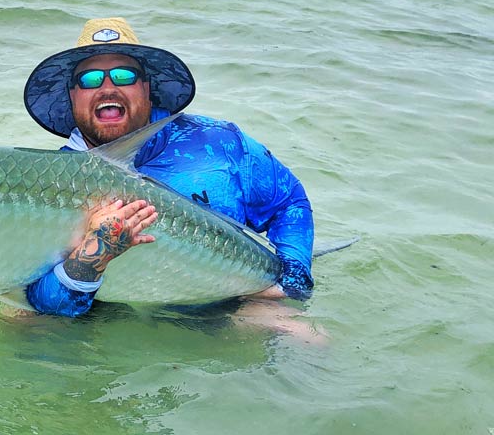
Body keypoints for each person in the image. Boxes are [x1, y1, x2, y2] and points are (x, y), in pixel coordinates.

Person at [22, 17, 314, 317]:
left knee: (304, 338)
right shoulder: (54, 182)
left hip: (223, 310)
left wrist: (292, 276)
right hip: (111, 318)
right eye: (89, 80)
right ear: (73, 96)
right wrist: (91, 257)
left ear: (147, 88)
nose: (107, 88)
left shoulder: (219, 144)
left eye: (124, 75)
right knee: (19, 320)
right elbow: (42, 302)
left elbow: (289, 201)